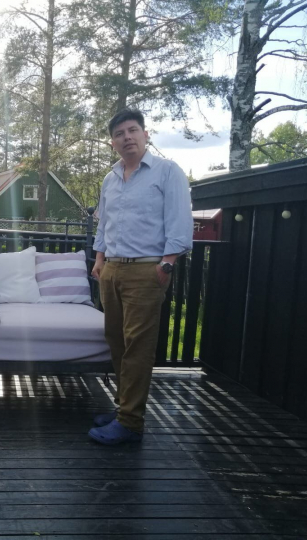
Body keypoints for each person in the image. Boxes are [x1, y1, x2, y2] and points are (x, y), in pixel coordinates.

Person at [89, 109, 193, 445]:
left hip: (147, 269)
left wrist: (167, 264)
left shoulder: (167, 172)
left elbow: (180, 221)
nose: (127, 137)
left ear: (146, 134)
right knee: (117, 341)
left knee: (138, 346)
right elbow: (104, 224)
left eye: (133, 130)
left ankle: (131, 422)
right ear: (113, 142)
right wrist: (100, 259)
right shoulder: (110, 179)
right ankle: (124, 408)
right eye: (119, 134)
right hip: (112, 269)